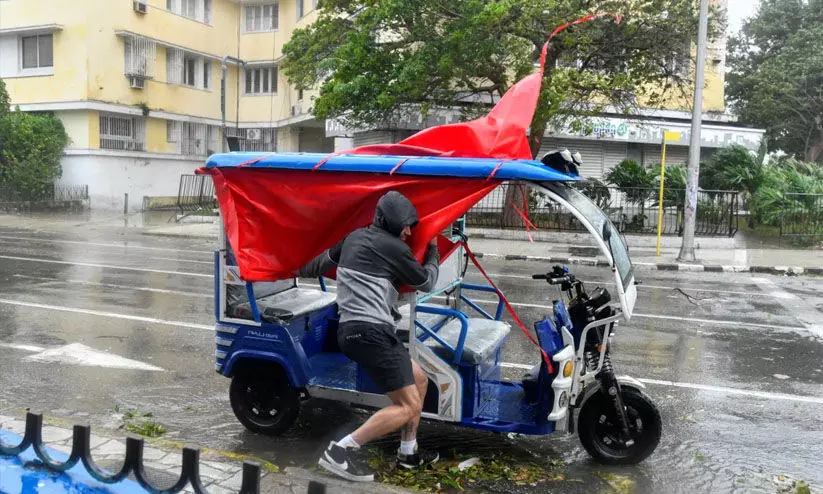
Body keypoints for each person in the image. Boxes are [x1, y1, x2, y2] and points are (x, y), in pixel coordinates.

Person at [298, 191, 440, 482]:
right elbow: (427, 282)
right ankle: (340, 451)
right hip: (371, 332)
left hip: (354, 331)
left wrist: (281, 268)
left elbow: (316, 266)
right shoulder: (395, 248)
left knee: (420, 380)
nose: (409, 231)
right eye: (406, 225)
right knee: (408, 404)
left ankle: (408, 453)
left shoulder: (353, 237)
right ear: (391, 223)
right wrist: (434, 248)